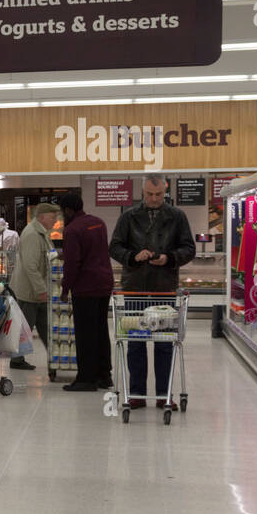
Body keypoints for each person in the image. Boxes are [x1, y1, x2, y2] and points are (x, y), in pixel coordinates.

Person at [108, 174, 196, 410]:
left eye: (158, 195)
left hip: (164, 288)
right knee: (135, 342)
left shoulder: (177, 217)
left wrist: (169, 258)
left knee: (164, 343)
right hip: (134, 288)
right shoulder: (128, 217)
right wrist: (133, 257)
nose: (154, 199)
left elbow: (189, 248)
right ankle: (135, 393)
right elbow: (114, 247)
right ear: (142, 192)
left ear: (165, 192)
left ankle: (163, 395)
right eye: (150, 194)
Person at [59, 191, 114, 392]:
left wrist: (65, 288)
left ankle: (86, 379)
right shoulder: (98, 222)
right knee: (100, 329)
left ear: (68, 210)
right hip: (104, 283)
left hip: (86, 287)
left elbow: (73, 263)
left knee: (85, 333)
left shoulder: (72, 229)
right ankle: (104, 375)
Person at [6, 203, 61, 371]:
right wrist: (41, 290)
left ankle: (54, 360)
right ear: (42, 217)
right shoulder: (32, 234)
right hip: (29, 292)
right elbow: (31, 266)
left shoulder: (42, 233)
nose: (55, 221)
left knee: (45, 327)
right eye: (53, 217)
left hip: (37, 290)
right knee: (25, 327)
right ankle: (17, 360)